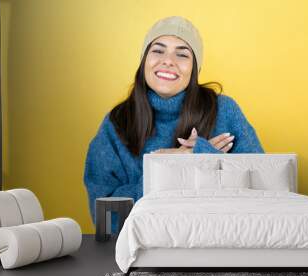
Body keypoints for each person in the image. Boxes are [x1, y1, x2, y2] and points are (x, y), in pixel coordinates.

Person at [83, 16, 264, 232]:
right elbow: (107, 221)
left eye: (182, 54)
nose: (168, 60)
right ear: (144, 61)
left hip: (218, 244)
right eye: (158, 51)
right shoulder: (117, 123)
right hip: (142, 254)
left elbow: (263, 193)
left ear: (194, 69)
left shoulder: (224, 110)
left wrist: (200, 158)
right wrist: (164, 169)